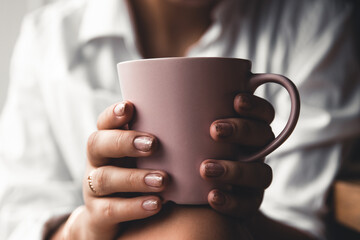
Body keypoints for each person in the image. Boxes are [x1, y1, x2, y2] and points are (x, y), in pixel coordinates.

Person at [0, 0, 359, 239]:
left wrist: (246, 219)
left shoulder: (314, 19)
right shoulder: (49, 38)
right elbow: (18, 220)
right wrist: (87, 226)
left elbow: (300, 223)